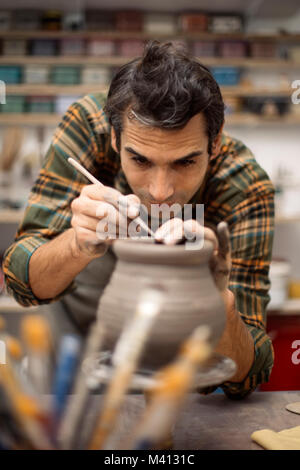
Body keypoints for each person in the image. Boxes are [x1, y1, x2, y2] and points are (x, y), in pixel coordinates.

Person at [2, 41, 274, 399]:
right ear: (115, 138)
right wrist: (77, 244)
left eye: (185, 162)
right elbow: (20, 281)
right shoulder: (88, 126)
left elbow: (249, 375)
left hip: (185, 379)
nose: (160, 191)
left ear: (216, 143)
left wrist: (217, 299)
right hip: (80, 360)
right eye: (141, 161)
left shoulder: (243, 184)